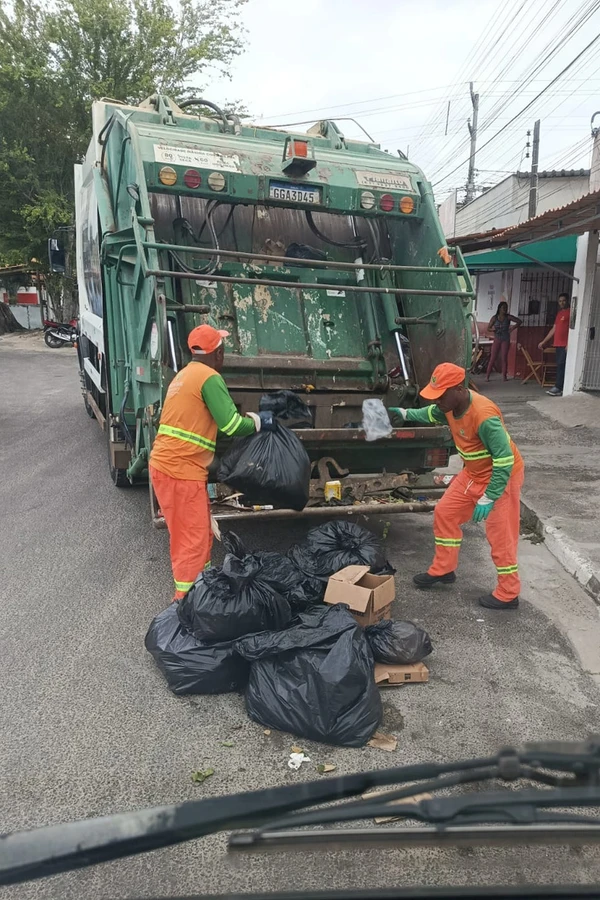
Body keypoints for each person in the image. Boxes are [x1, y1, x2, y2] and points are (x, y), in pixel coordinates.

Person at [149, 324, 274, 601]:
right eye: (222, 348)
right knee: (192, 540)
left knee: (196, 534)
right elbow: (230, 424)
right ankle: (188, 604)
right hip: (180, 470)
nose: (224, 353)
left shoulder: (184, 376)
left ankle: (198, 594)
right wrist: (258, 422)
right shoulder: (209, 377)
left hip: (171, 467)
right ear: (217, 353)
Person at [390, 363, 524, 610]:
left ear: (459, 389)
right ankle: (444, 570)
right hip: (473, 473)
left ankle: (508, 593)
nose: (438, 400)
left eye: (441, 395)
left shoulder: (484, 416)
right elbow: (430, 413)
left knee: (501, 537)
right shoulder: (449, 406)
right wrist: (406, 413)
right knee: (445, 513)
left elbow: (504, 460)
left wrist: (489, 496)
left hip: (500, 477)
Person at [538, 293, 570, 396]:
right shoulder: (559, 314)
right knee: (559, 365)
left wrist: (569, 343)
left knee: (561, 365)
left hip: (565, 344)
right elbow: (554, 329)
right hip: (558, 344)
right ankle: (559, 387)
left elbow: (572, 329)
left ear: (567, 301)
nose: (562, 303)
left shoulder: (571, 313)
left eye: (563, 300)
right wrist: (544, 341)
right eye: (560, 301)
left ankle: (558, 387)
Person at [485, 300, 521, 382]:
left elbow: (519, 321)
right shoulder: (494, 318)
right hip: (497, 338)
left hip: (505, 338)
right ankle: (487, 376)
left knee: (504, 358)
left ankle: (504, 376)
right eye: (503, 308)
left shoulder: (508, 317)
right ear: (499, 309)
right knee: (493, 357)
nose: (505, 309)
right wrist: (493, 329)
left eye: (506, 308)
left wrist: (512, 328)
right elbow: (488, 328)